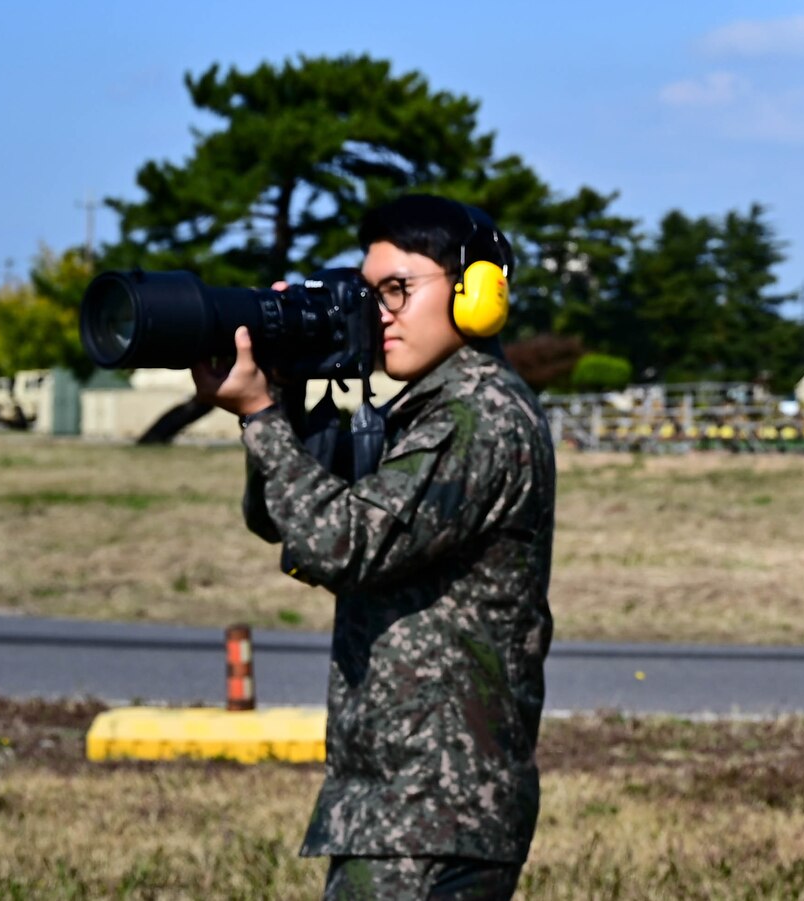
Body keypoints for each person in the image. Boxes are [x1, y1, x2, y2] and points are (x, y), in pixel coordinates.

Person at [194, 195, 554, 901]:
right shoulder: (424, 410)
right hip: (402, 806)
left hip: (433, 807)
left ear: (475, 295)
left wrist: (262, 417)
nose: (378, 311)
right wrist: (285, 399)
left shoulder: (474, 417)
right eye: (370, 291)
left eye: (399, 289)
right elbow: (284, 518)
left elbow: (341, 543)